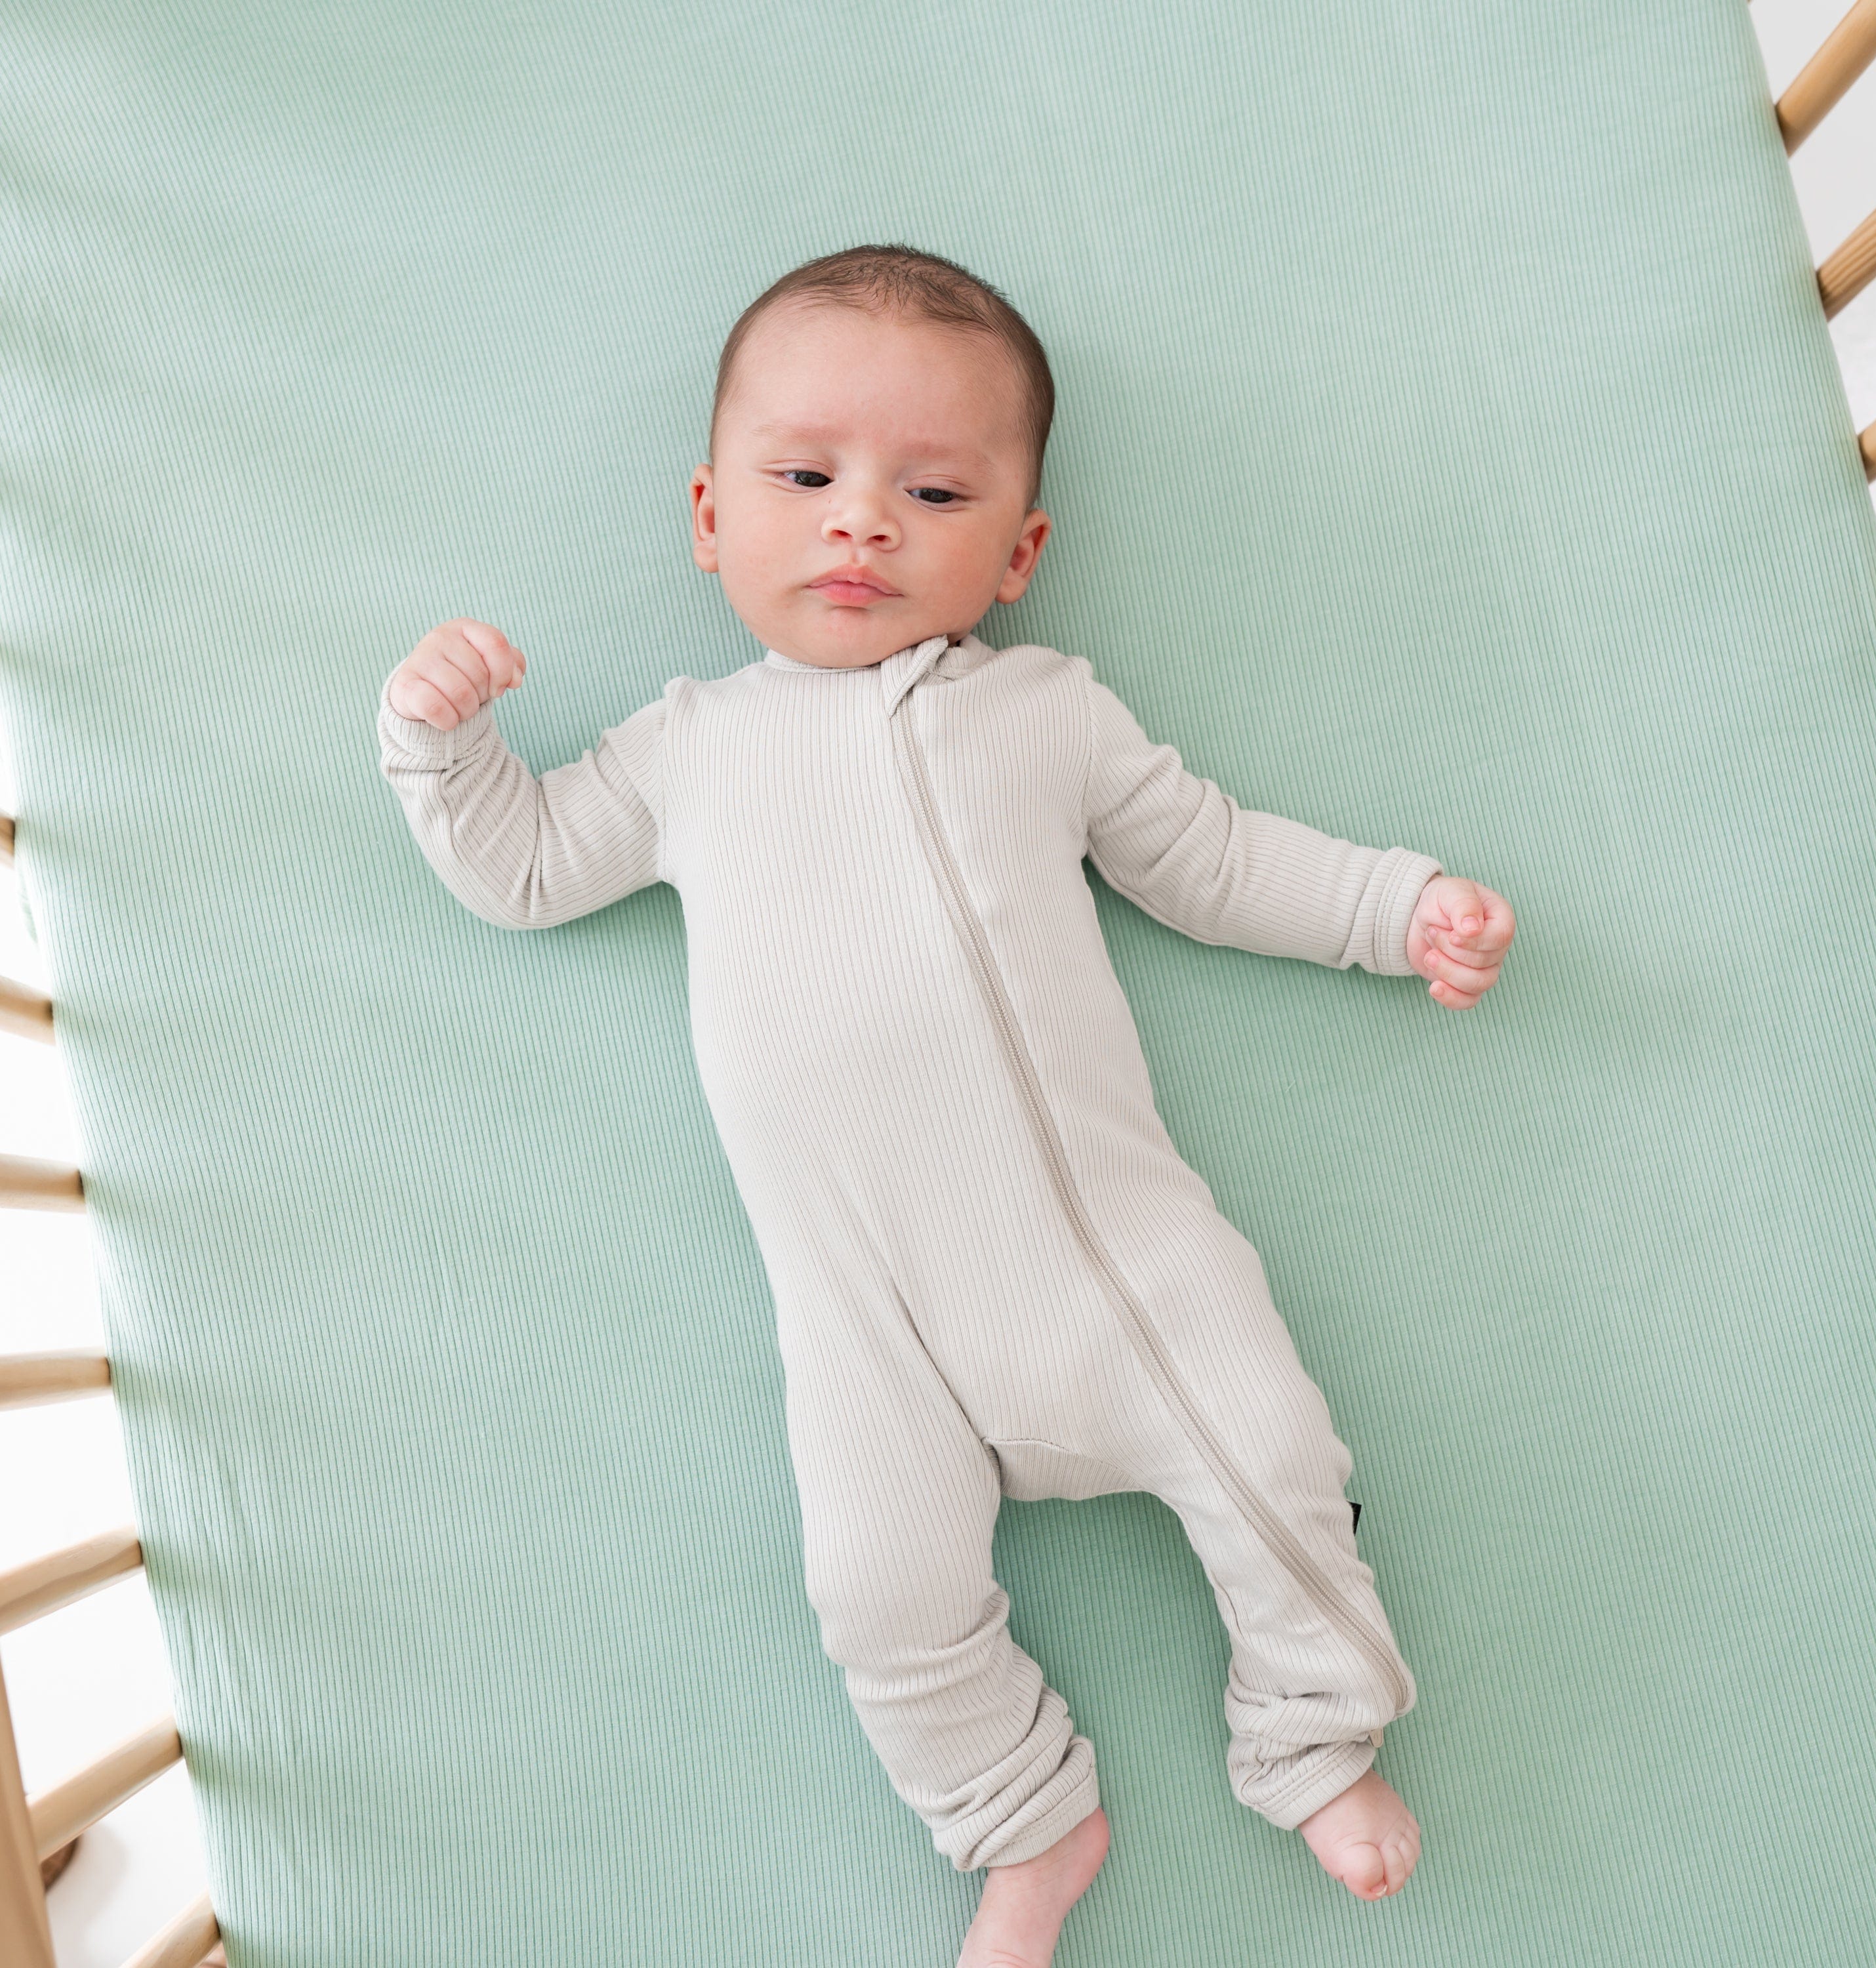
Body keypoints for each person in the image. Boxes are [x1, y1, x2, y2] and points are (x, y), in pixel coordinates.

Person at [377, 243, 1514, 1967]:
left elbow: (1210, 861)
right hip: (869, 1332)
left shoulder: (1044, 712)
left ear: (1018, 553)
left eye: (932, 490)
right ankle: (1028, 1827)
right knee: (876, 1596)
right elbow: (524, 869)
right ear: (707, 516)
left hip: (1116, 1268)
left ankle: (1312, 1739)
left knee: (1279, 1461)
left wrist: (1391, 908)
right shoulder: (683, 751)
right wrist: (440, 752)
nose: (861, 524)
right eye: (805, 478)